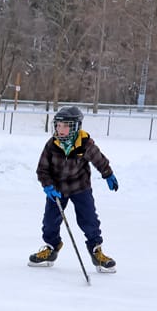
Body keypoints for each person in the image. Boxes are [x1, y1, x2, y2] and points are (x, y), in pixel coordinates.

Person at [28, 106, 119, 272]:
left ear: (76, 126)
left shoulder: (85, 143)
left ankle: (96, 251)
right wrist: (47, 185)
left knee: (89, 219)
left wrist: (108, 175)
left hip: (80, 187)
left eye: (65, 126)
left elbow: (100, 160)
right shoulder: (52, 144)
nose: (60, 130)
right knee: (50, 221)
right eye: (58, 125)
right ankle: (51, 248)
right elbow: (42, 169)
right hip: (57, 189)